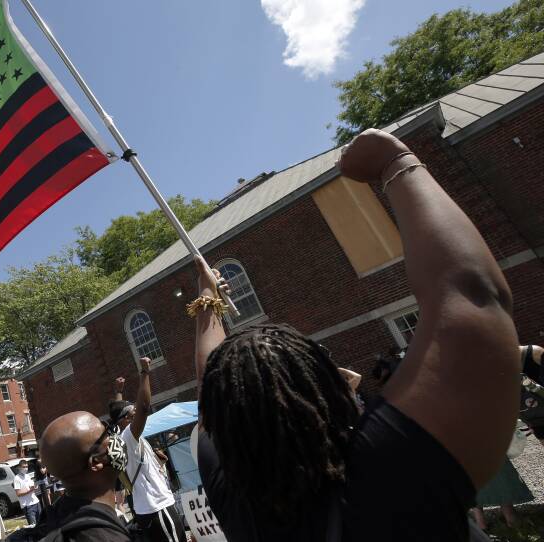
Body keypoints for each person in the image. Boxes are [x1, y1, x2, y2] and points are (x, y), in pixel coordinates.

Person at [192, 128, 519, 541]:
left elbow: (210, 384)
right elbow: (471, 295)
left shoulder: (233, 496)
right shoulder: (391, 469)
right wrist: (396, 162)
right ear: (328, 387)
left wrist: (206, 296)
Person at [8, 411, 130, 541]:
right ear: (96, 462)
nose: (114, 437)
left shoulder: (54, 517)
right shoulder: (107, 537)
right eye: (106, 432)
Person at [111, 358, 187, 542]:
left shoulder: (120, 438)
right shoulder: (128, 436)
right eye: (132, 413)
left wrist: (119, 393)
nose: (136, 413)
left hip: (148, 509)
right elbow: (144, 407)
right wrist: (145, 372)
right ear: (124, 421)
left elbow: (118, 412)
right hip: (158, 508)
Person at [14, 459, 42, 526]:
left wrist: (35, 487)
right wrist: (29, 491)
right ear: (19, 467)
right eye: (24, 467)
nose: (26, 468)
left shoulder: (28, 476)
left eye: (26, 467)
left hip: (36, 502)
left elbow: (31, 486)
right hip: (27, 506)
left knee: (41, 523)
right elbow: (18, 493)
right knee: (33, 526)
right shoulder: (17, 478)